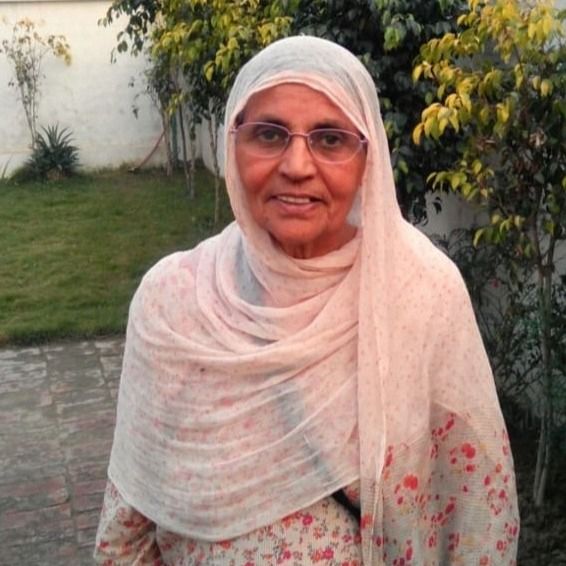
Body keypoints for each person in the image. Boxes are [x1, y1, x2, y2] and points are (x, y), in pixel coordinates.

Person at [94, 36, 519, 565]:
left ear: (368, 157)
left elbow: (479, 508)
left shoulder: (420, 293)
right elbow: (128, 532)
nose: (297, 165)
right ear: (233, 144)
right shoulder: (173, 302)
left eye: (331, 139)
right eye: (269, 134)